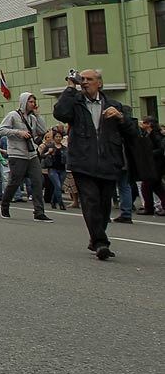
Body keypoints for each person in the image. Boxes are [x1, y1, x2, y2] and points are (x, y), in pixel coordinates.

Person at [53, 70, 138, 260]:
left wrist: (121, 118)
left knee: (103, 205)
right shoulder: (76, 103)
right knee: (90, 201)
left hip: (109, 162)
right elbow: (60, 112)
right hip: (83, 162)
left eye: (89, 79)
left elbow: (133, 131)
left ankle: (95, 237)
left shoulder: (114, 105)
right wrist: (69, 88)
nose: (84, 83)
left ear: (99, 83)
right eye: (82, 79)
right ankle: (101, 243)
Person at [0, 92, 52, 221]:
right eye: (30, 101)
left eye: (34, 101)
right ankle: (5, 205)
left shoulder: (33, 118)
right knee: (14, 182)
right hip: (17, 153)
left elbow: (43, 130)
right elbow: (1, 130)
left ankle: (39, 211)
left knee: (38, 181)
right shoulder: (13, 115)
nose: (33, 104)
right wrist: (18, 132)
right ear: (24, 102)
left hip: (32, 153)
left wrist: (38, 115)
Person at [133, 117, 164, 216]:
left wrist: (148, 154)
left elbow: (160, 149)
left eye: (144, 122)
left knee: (146, 186)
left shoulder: (155, 135)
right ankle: (150, 207)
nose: (142, 123)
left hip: (156, 165)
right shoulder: (148, 134)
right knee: (156, 187)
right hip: (152, 165)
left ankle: (149, 208)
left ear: (149, 124)